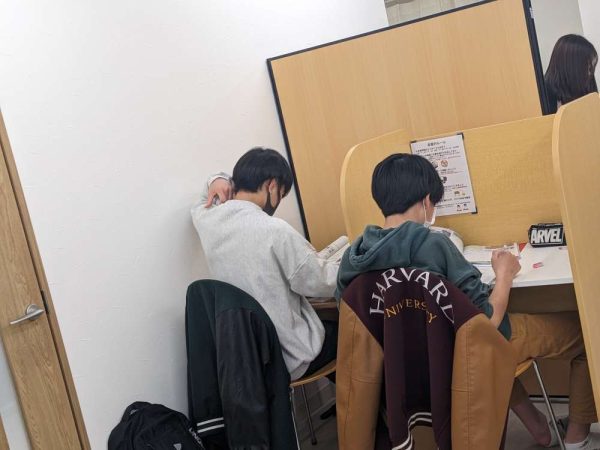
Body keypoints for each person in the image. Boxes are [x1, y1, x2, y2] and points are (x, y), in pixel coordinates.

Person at [336, 153, 598, 449]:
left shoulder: (353, 257)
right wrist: (504, 274)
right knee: (585, 333)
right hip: (461, 353)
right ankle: (577, 438)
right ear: (426, 201)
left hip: (404, 365)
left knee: (482, 348)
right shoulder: (434, 245)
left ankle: (539, 428)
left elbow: (354, 320)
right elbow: (488, 321)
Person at [191, 147, 339, 381]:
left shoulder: (208, 220)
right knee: (354, 331)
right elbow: (321, 281)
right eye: (281, 193)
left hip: (251, 360)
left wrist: (217, 179)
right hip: (291, 357)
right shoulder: (275, 230)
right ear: (272, 185)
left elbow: (204, 197)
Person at [545, 34, 598, 114]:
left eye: (591, 68)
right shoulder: (545, 96)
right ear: (573, 67)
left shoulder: (584, 89)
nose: (590, 73)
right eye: (588, 67)